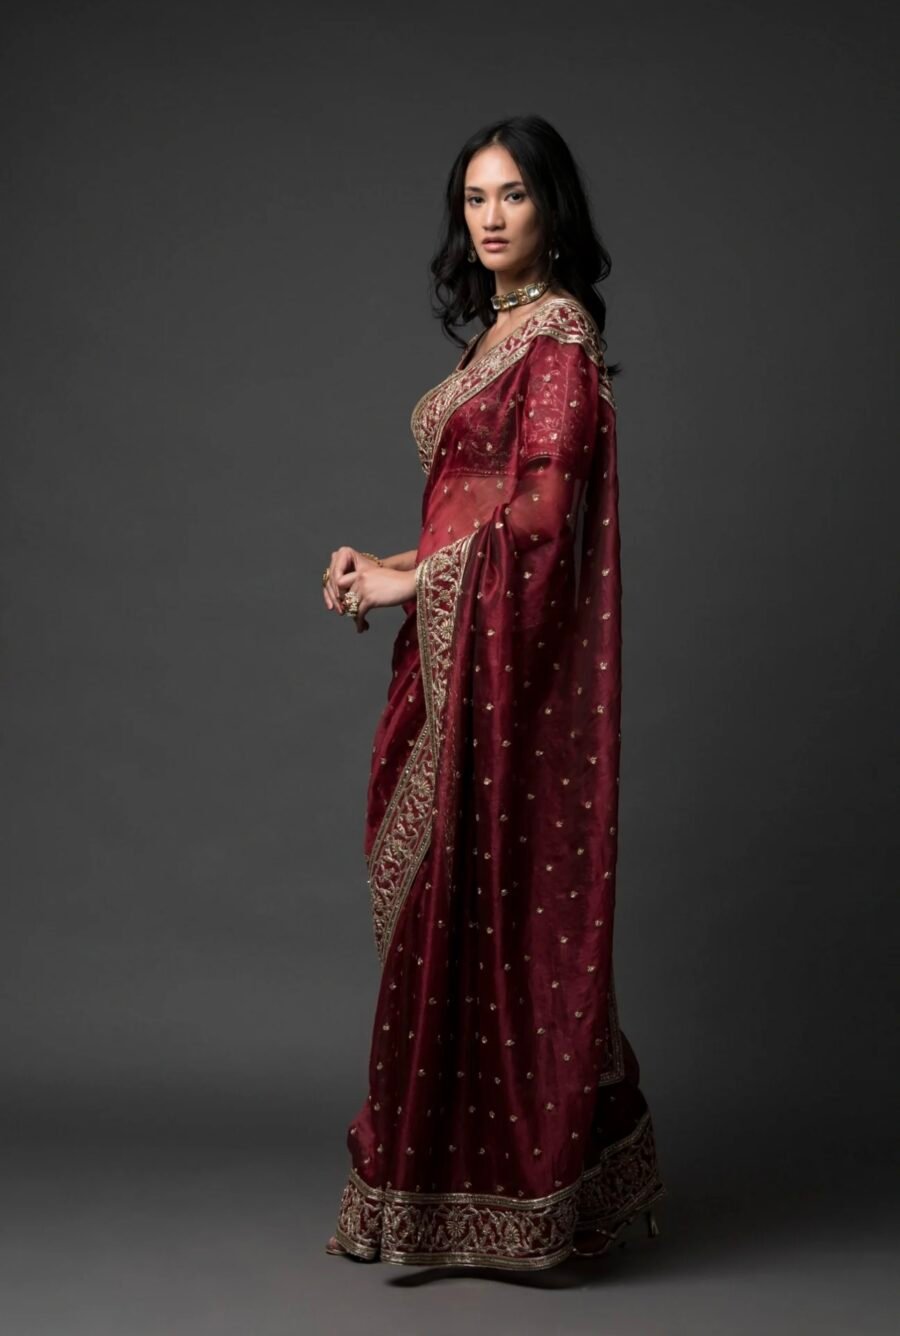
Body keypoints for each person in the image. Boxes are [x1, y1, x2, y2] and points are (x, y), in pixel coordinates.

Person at [320, 114, 665, 1271]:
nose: (491, 216)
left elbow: (539, 522)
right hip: (451, 654)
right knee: (443, 908)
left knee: (491, 905)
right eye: (475, 198)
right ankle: (436, 1187)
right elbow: (470, 507)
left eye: (513, 193)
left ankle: (514, 1194)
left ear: (552, 207)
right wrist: (387, 565)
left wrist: (407, 579)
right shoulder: (496, 338)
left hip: (505, 680)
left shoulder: (557, 339)